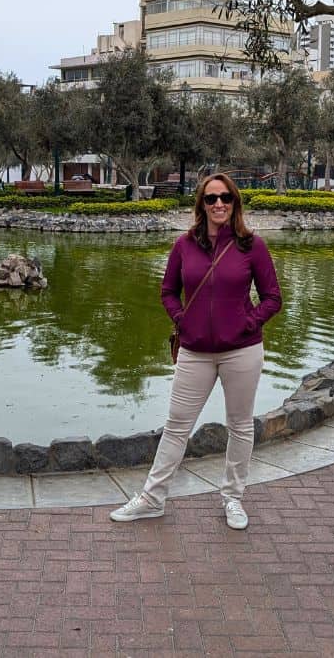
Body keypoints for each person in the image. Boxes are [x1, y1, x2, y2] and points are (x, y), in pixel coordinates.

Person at [110, 173, 283, 530]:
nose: (218, 204)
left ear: (235, 203)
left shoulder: (253, 246)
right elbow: (168, 291)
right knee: (176, 426)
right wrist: (182, 320)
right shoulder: (184, 245)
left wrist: (248, 323)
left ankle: (233, 498)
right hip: (194, 352)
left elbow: (272, 298)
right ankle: (152, 498)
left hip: (242, 351)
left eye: (225, 198)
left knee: (240, 426)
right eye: (210, 198)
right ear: (201, 204)